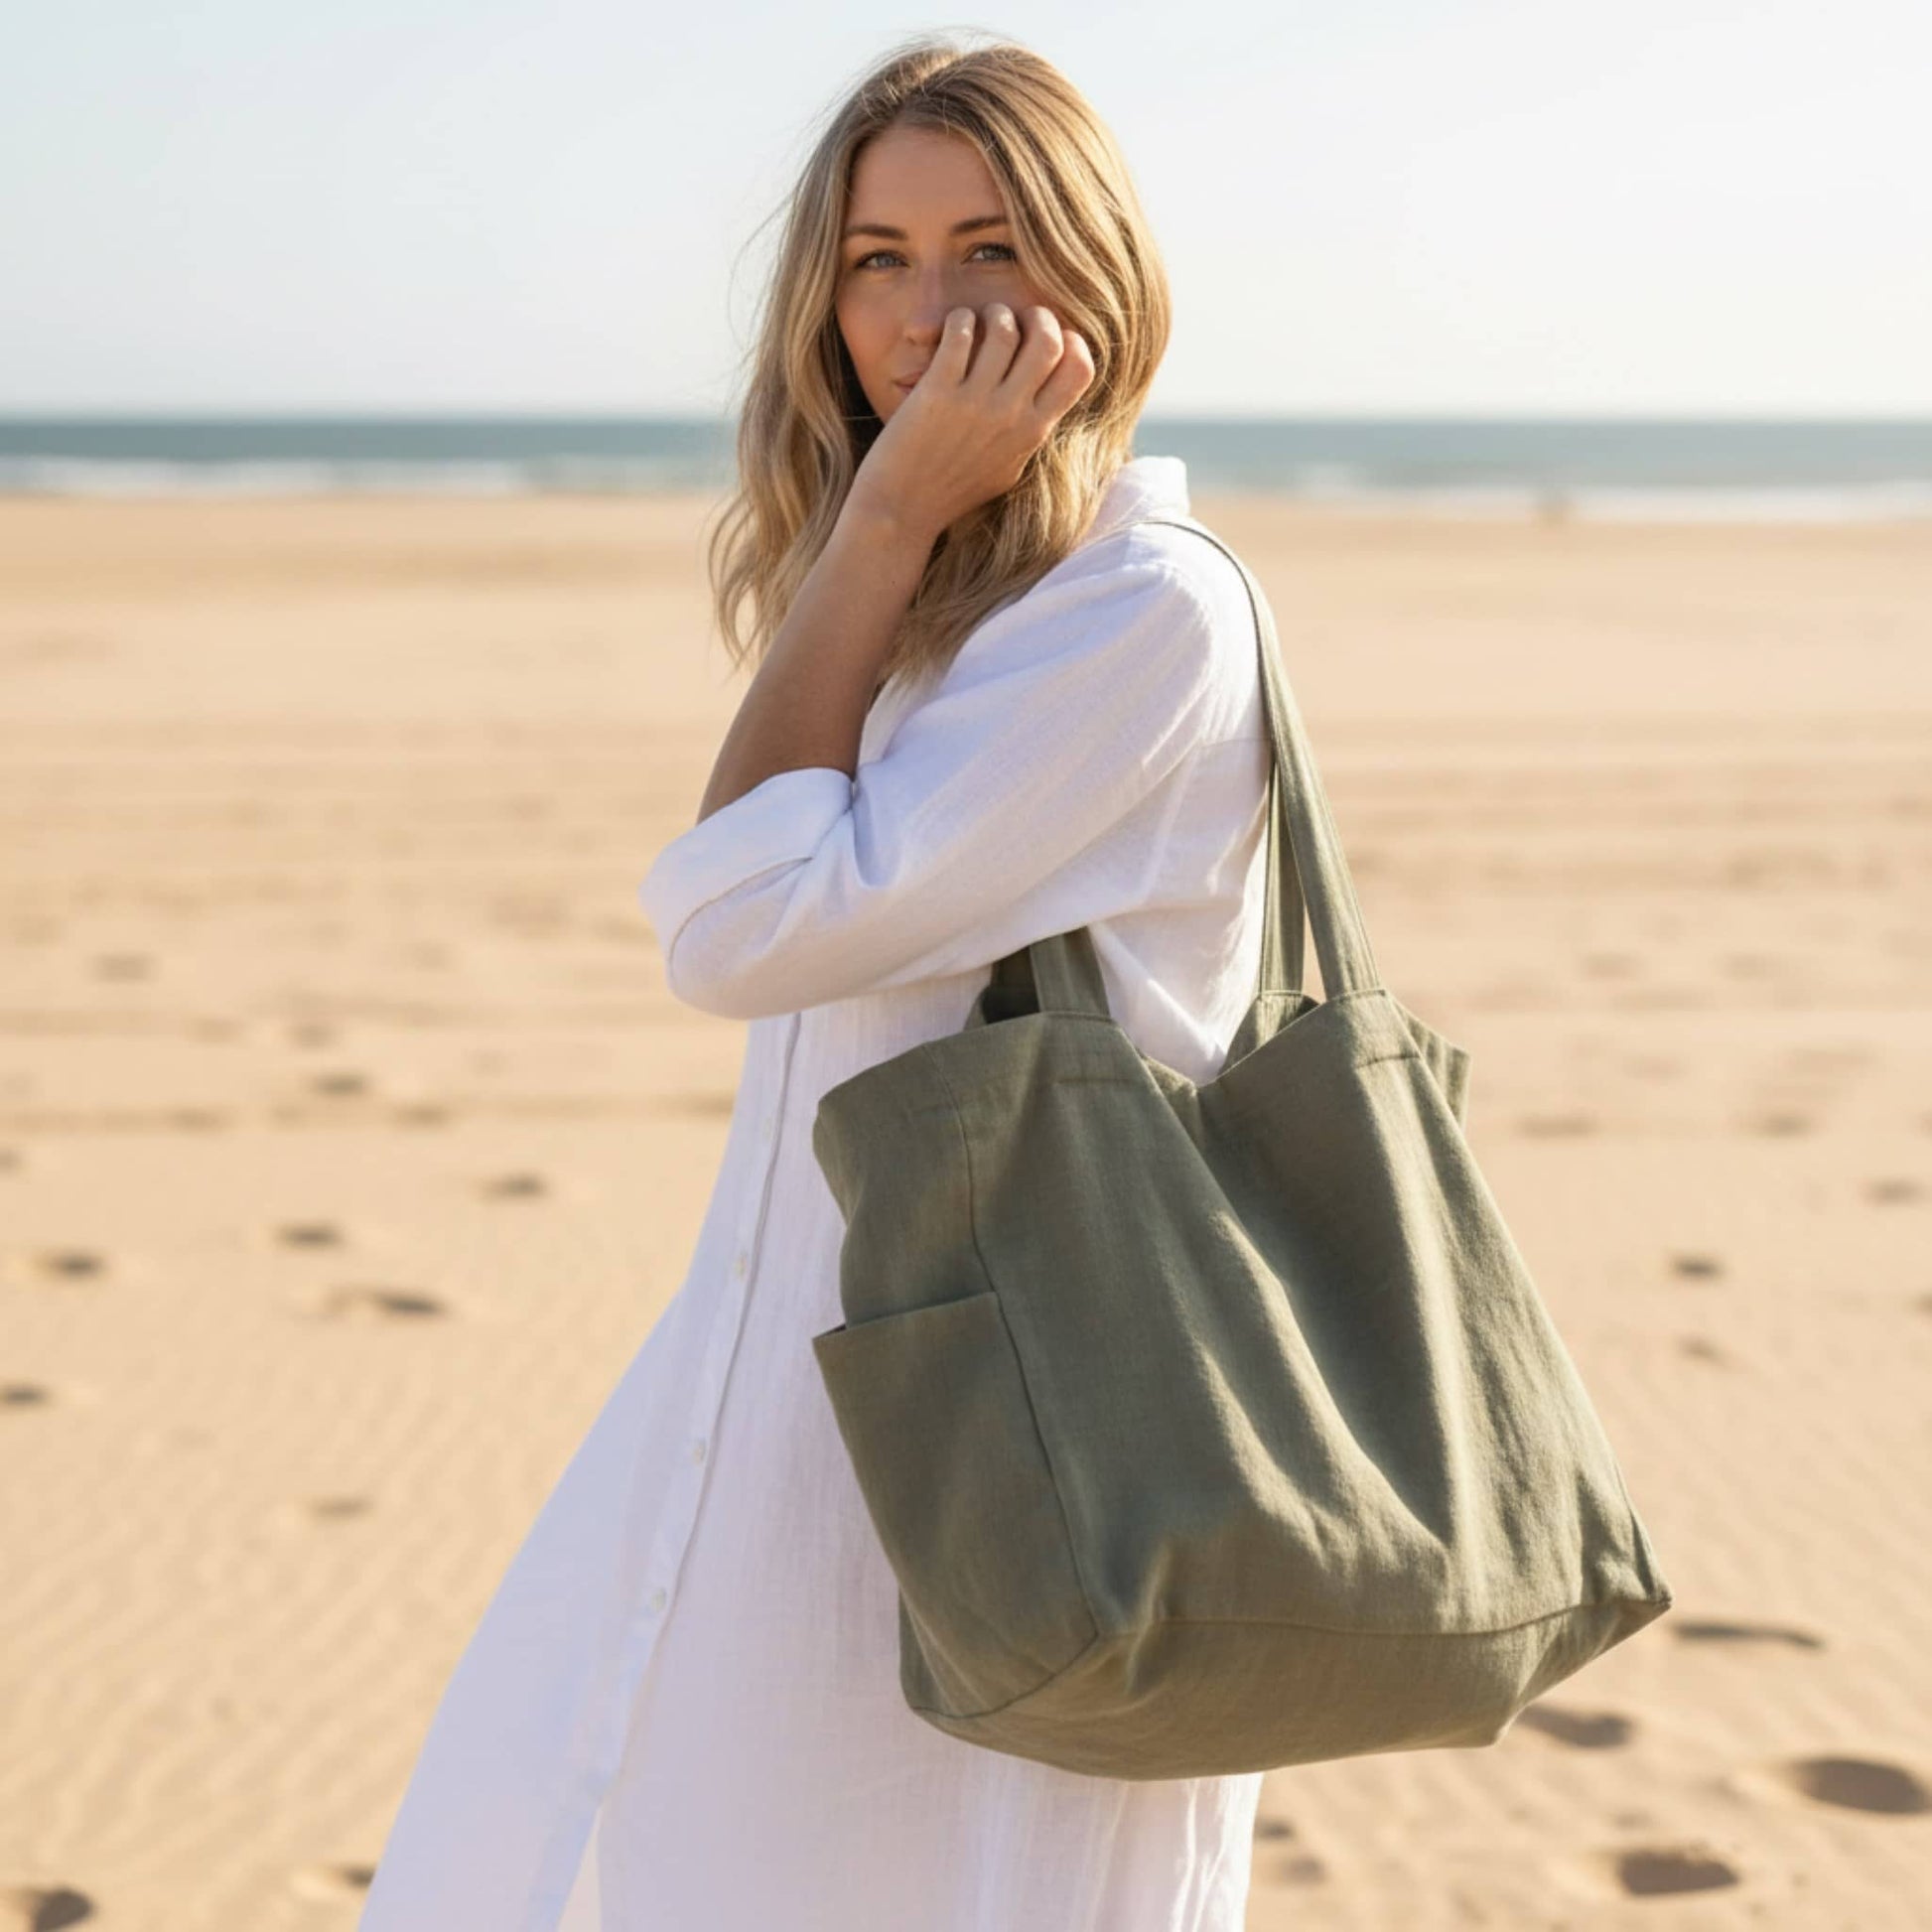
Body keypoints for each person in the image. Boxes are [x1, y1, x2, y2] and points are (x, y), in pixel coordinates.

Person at [358, 31, 1277, 1932]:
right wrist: (888, 546)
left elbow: (735, 925)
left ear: (1095, 275)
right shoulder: (960, 609)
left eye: (990, 249)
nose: (928, 313)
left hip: (1030, 1433)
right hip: (800, 1385)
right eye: (878, 257)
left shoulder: (1137, 611)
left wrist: (873, 521)